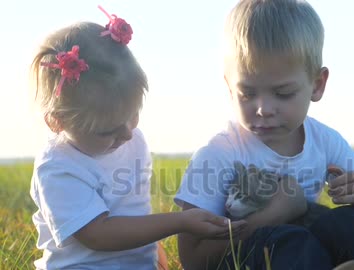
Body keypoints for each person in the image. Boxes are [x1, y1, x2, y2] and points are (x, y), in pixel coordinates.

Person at [174, 0, 354, 269]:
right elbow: (194, 260)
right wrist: (276, 213)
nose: (263, 109)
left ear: (317, 85)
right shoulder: (218, 155)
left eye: (283, 94)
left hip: (311, 255)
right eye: (248, 93)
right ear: (230, 88)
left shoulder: (324, 141)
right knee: (286, 240)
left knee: (346, 222)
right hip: (257, 258)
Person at [29, 7, 245, 270]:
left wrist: (154, 253)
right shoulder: (58, 167)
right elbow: (98, 234)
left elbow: (134, 213)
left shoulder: (132, 141)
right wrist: (179, 222)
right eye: (107, 131)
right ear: (57, 122)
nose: (127, 134)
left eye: (132, 116)